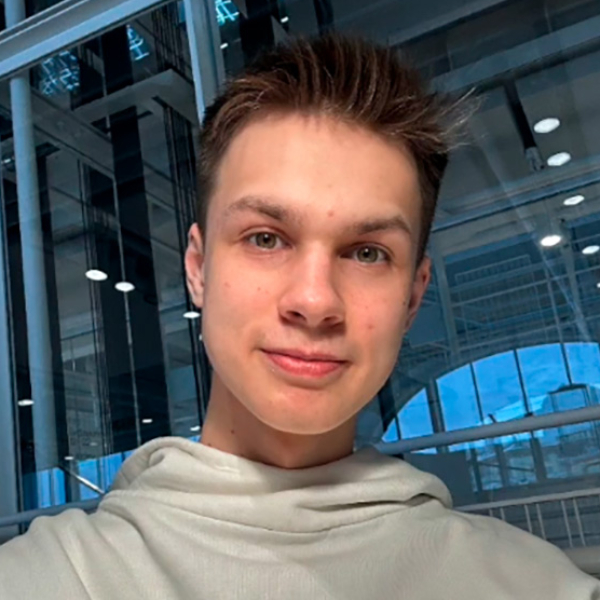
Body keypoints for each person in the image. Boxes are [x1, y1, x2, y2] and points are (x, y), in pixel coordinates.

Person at [0, 33, 598, 600]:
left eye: (368, 253)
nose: (315, 301)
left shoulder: (537, 587)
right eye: (265, 238)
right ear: (198, 268)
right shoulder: (41, 580)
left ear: (413, 297)